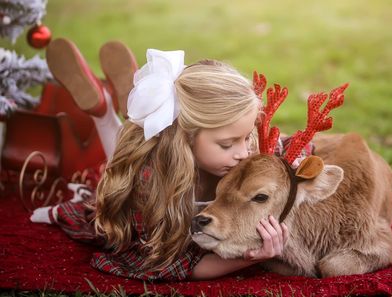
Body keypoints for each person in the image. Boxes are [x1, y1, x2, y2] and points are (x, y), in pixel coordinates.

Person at [30, 38, 291, 281]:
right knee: (117, 170)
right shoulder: (150, 187)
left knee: (131, 150)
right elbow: (171, 266)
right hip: (136, 184)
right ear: (186, 137)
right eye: (227, 144)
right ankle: (103, 112)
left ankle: (135, 104)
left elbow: (288, 158)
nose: (243, 152)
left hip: (162, 154)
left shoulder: (242, 154)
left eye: (246, 137)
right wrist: (251, 258)